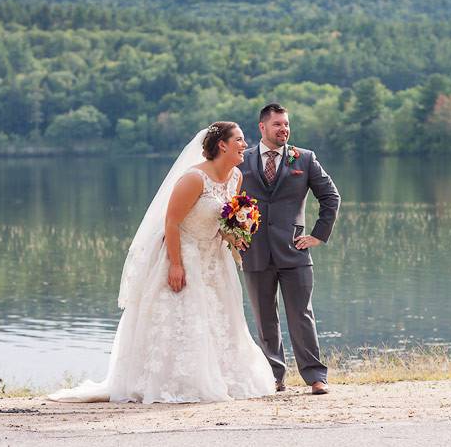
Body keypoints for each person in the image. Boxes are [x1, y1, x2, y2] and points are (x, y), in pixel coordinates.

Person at [47, 122, 276, 403]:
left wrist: (234, 235)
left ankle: (222, 376)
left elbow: (224, 218)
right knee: (184, 316)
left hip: (214, 259)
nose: (245, 145)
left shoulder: (235, 177)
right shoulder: (193, 179)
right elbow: (172, 222)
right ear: (222, 145)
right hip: (184, 252)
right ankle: (173, 381)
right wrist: (176, 265)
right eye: (239, 140)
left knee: (219, 317)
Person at [238, 103, 340, 395]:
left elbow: (331, 196)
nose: (284, 129)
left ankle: (316, 376)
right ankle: (274, 377)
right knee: (265, 318)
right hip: (255, 251)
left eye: (286, 125)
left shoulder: (304, 159)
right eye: (277, 125)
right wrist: (234, 236)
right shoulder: (240, 161)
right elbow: (225, 201)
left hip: (294, 251)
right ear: (262, 127)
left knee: (301, 314)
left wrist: (318, 235)